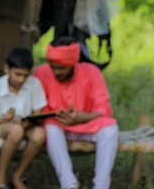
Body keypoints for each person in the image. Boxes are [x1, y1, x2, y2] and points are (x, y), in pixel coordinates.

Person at [33, 37, 118, 189]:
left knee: (110, 129)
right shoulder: (41, 73)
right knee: (51, 128)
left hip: (87, 124)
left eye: (61, 68)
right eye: (53, 67)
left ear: (73, 64)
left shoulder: (91, 72)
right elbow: (36, 108)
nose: (56, 72)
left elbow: (104, 108)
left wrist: (81, 117)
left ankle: (101, 185)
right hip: (57, 127)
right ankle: (69, 184)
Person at [0, 47, 47, 189]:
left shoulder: (34, 84)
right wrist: (5, 119)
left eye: (25, 76)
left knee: (39, 134)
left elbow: (37, 114)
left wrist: (30, 122)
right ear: (6, 69)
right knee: (16, 130)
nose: (21, 80)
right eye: (17, 74)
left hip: (24, 126)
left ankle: (17, 176)